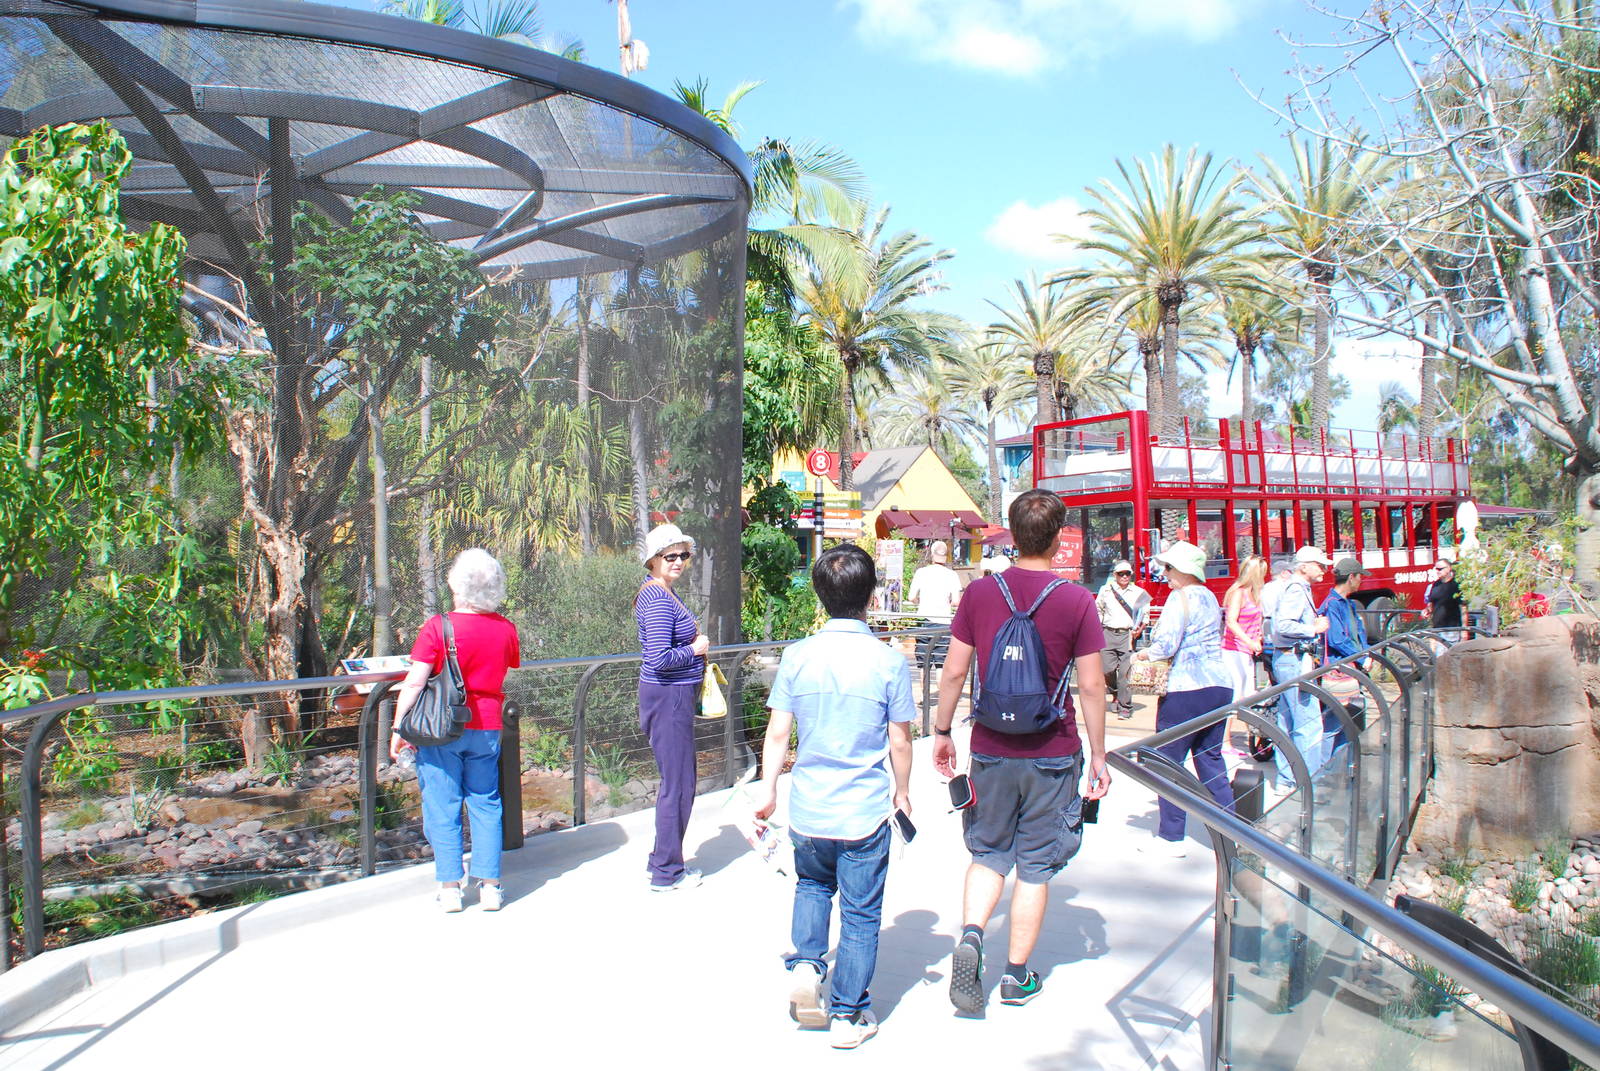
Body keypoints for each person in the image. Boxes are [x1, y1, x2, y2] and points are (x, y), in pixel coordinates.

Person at [931, 489, 1110, 1014]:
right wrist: (1099, 755)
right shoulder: (1076, 600)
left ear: (1011, 533)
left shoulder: (981, 595)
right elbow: (1094, 687)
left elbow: (955, 672)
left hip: (989, 746)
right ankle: (1016, 977)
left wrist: (943, 731)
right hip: (1052, 751)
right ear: (1058, 539)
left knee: (988, 854)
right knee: (1034, 865)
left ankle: (970, 936)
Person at [756, 544, 915, 1050]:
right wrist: (904, 792)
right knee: (862, 914)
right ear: (870, 596)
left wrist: (768, 790)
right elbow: (900, 740)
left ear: (820, 595)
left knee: (812, 886)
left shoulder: (798, 657)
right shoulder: (888, 662)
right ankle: (848, 1014)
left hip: (809, 807)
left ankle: (806, 963)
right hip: (863, 810)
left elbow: (778, 734)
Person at [388, 549, 521, 912]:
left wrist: (399, 726)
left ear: (457, 584)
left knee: (442, 804)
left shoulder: (437, 626)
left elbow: (415, 683)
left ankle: (450, 886)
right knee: (486, 802)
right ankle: (490, 886)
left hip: (442, 728)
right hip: (488, 726)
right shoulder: (505, 628)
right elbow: (503, 670)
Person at [1131, 541, 1237, 856]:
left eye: (1169, 568)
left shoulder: (1180, 598)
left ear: (1183, 571)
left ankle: (1171, 835)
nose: (1165, 574)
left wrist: (1143, 654)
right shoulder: (1209, 596)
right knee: (1210, 757)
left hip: (1185, 688)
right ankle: (1233, 829)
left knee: (1166, 762)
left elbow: (1165, 644)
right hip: (1219, 685)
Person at [636, 523, 709, 892]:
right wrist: (695, 650)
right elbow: (659, 658)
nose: (679, 561)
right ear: (653, 560)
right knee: (678, 785)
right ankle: (667, 872)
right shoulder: (658, 598)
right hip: (668, 696)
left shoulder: (664, 594)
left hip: (672, 696)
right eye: (671, 555)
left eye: (684, 554)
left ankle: (663, 860)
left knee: (680, 781)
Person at [1269, 546, 1333, 795]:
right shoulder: (1296, 588)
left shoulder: (1295, 587)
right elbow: (1284, 625)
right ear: (1304, 566)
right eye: (1320, 564)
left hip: (1287, 658)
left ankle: (1287, 779)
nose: (1324, 570)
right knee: (1309, 722)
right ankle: (1310, 781)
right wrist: (1313, 629)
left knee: (1288, 720)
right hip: (1294, 658)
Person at [1095, 560, 1151, 720]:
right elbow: (1098, 609)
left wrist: (1139, 630)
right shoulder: (1105, 590)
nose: (1125, 576)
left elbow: (1145, 614)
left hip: (1128, 635)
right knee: (1107, 669)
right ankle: (1115, 693)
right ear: (1115, 575)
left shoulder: (1139, 592)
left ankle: (1125, 707)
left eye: (1127, 573)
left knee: (1125, 673)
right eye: (1121, 574)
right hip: (1108, 632)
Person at [1221, 555, 1267, 705]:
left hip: (1246, 650)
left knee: (1247, 695)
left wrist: (1257, 639)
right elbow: (1231, 621)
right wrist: (1250, 642)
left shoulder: (1255, 595)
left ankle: (1250, 728)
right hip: (1233, 649)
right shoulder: (1238, 593)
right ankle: (1227, 728)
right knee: (1237, 696)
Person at [1319, 557, 1370, 663]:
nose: (1361, 580)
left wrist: (1366, 654)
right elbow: (1337, 640)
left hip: (1353, 663)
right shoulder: (1332, 604)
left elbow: (1358, 634)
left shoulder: (1349, 603)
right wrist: (1361, 658)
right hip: (1341, 667)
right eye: (1360, 576)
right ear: (1351, 577)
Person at [909, 540, 962, 622]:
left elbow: (911, 597)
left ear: (932, 555)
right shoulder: (952, 574)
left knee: (923, 634)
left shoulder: (921, 572)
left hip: (925, 619)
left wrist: (919, 603)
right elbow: (956, 601)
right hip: (944, 620)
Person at [1426, 559, 1464, 635]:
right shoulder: (1435, 585)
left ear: (1449, 568)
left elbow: (1464, 608)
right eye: (1436, 569)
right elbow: (1430, 605)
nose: (1437, 571)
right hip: (1437, 629)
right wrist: (1426, 611)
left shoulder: (1457, 585)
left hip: (1453, 629)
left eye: (1440, 569)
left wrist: (1464, 630)